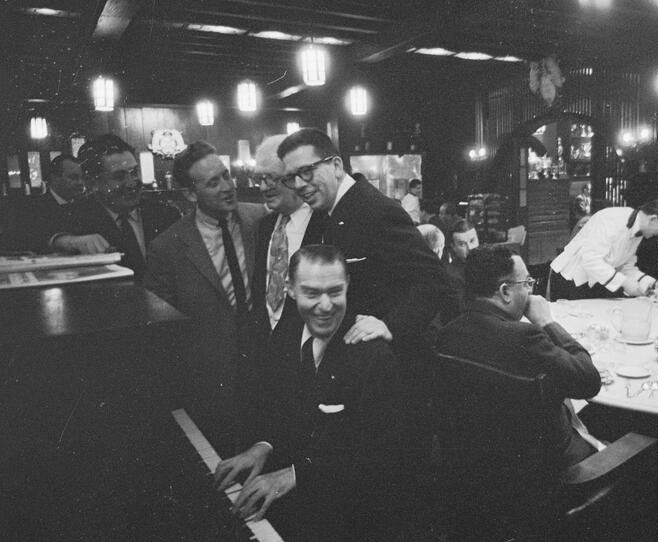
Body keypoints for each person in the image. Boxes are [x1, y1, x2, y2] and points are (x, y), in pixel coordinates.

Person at [214, 245, 405, 541]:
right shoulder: (286, 334)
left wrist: (296, 474)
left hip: (347, 519)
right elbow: (278, 409)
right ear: (290, 289)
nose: (325, 306)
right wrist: (262, 446)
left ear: (348, 285)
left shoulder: (374, 356)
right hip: (294, 510)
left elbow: (380, 457)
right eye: (312, 293)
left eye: (335, 291)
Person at [276, 128, 452, 350]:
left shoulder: (376, 210)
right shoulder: (324, 210)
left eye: (306, 171)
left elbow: (435, 279)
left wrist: (389, 326)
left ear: (336, 166)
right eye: (291, 178)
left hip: (381, 356)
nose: (299, 184)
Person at [144, 141, 266, 453]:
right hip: (209, 377)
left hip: (264, 364)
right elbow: (161, 330)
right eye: (213, 183)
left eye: (226, 175)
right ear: (190, 194)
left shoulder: (260, 220)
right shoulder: (168, 247)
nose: (227, 187)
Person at [436, 246, 603, 468]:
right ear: (505, 292)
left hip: (482, 462)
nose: (530, 291)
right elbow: (589, 382)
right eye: (526, 283)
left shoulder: (448, 334)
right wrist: (546, 322)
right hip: (555, 469)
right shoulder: (525, 337)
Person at [53, 134, 180, 276]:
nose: (131, 183)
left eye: (134, 173)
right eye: (119, 176)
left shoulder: (167, 215)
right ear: (92, 182)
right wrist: (67, 241)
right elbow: (42, 238)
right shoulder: (75, 216)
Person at [249, 134, 326, 340]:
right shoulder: (264, 226)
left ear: (294, 176)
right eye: (259, 179)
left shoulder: (325, 223)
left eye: (271, 178)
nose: (263, 187)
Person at [551, 197, 658, 299]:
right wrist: (624, 283)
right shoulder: (612, 219)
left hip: (595, 281)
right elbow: (590, 260)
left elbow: (626, 266)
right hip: (571, 280)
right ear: (653, 219)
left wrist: (652, 283)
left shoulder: (638, 231)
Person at [0, 154, 85, 252]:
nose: (80, 183)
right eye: (73, 178)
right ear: (55, 178)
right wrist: (56, 241)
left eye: (82, 178)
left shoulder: (86, 207)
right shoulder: (30, 207)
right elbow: (12, 241)